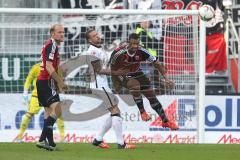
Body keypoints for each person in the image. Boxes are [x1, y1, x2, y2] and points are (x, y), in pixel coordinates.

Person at [110, 33, 179, 130]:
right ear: (128, 42)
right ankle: (142, 112)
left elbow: (157, 63)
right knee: (135, 85)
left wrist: (166, 78)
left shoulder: (142, 51)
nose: (135, 46)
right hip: (121, 74)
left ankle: (165, 121)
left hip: (137, 72)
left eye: (137, 44)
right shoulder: (119, 52)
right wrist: (116, 82)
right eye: (133, 44)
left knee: (152, 97)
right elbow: (112, 68)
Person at [85, 29, 135, 149]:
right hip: (98, 86)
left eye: (97, 34)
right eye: (94, 36)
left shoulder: (99, 49)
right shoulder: (92, 51)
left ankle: (98, 140)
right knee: (115, 111)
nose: (97, 36)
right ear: (89, 40)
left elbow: (106, 63)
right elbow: (99, 70)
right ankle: (121, 144)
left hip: (102, 84)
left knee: (115, 112)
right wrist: (117, 72)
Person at [36, 24, 68, 151]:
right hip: (47, 81)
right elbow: (49, 66)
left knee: (48, 112)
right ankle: (42, 138)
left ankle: (48, 142)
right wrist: (60, 81)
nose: (62, 34)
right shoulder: (52, 45)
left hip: (42, 81)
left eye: (63, 32)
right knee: (58, 110)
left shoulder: (49, 44)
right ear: (52, 33)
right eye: (59, 32)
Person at [15, 62, 65, 143]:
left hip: (51, 94)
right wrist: (25, 92)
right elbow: (28, 79)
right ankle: (19, 136)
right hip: (37, 95)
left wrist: (61, 92)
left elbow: (59, 80)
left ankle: (62, 137)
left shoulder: (55, 67)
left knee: (57, 114)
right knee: (29, 114)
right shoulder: (36, 67)